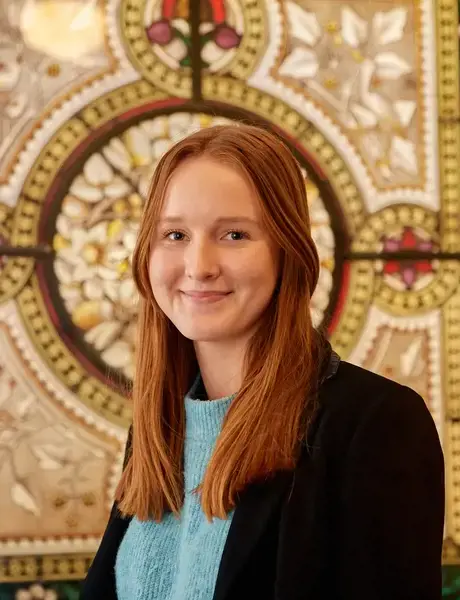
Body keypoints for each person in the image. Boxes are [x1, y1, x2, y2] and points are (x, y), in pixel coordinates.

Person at [80, 124, 445, 600]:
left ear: (286, 251)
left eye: (234, 234)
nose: (198, 265)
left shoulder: (375, 424)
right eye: (175, 234)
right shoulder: (160, 428)